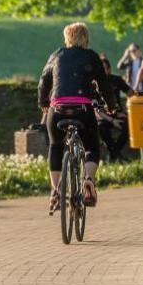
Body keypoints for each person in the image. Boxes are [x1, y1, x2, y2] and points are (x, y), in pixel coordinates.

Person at [38, 22, 116, 213]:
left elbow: (43, 82)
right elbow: (104, 85)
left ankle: (56, 191)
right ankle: (88, 179)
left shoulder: (56, 55)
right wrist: (111, 106)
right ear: (85, 38)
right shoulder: (92, 57)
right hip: (83, 109)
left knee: (56, 146)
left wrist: (43, 103)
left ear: (67, 38)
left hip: (57, 110)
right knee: (91, 147)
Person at [97, 54, 133, 162]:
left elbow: (131, 94)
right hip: (104, 116)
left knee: (129, 127)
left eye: (104, 69)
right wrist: (112, 121)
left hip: (118, 113)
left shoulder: (116, 80)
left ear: (109, 69)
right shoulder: (94, 84)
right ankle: (116, 155)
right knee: (102, 128)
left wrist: (128, 110)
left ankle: (114, 153)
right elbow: (96, 109)